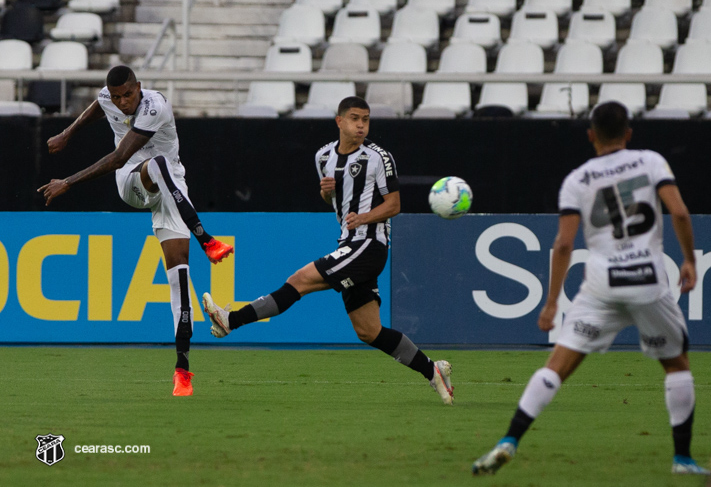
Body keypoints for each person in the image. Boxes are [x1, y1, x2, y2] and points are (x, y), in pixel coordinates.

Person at [471, 101, 709, 476]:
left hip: (601, 284)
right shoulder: (650, 161)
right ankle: (682, 459)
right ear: (628, 133)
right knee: (676, 364)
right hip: (647, 280)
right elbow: (678, 212)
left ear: (590, 135)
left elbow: (564, 245)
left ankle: (509, 440)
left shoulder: (577, 179)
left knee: (557, 367)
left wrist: (551, 303)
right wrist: (689, 261)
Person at [201, 96, 454, 404]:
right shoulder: (323, 156)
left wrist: (364, 217)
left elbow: (395, 205)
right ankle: (433, 371)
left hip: (369, 245)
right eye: (355, 119)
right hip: (349, 244)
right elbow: (334, 202)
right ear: (340, 121)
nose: (361, 125)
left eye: (366, 119)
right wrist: (326, 195)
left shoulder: (379, 157)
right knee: (369, 331)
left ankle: (231, 320)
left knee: (299, 281)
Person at [38, 65, 234, 397]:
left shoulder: (155, 107)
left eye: (128, 94)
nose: (123, 102)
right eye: (117, 97)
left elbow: (115, 154)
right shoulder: (108, 98)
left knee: (179, 279)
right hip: (132, 181)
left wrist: (67, 181)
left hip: (171, 186)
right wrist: (69, 132)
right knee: (155, 164)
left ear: (139, 87)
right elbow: (105, 124)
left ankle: (182, 371)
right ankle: (208, 240)